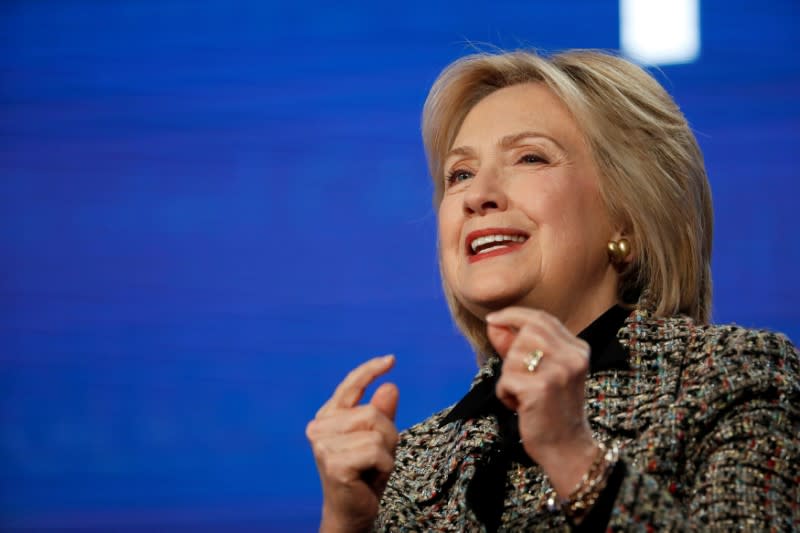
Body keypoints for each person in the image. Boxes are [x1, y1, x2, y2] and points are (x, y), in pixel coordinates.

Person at [305, 49, 800, 531]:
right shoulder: (406, 463)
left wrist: (573, 455)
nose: (477, 196)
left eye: (530, 157)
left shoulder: (735, 377)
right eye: (460, 174)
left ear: (627, 211)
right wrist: (345, 522)